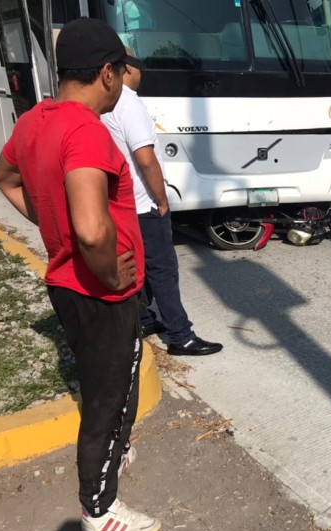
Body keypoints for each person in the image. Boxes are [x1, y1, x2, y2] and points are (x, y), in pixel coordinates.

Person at [0, 18, 160, 531]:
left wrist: (49, 222)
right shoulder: (86, 131)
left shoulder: (34, 120)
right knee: (111, 396)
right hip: (100, 290)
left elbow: (5, 178)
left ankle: (112, 455)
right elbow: (91, 232)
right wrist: (111, 276)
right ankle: (99, 506)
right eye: (123, 71)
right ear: (107, 73)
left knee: (101, 383)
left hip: (65, 285)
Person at [102, 48, 223, 356]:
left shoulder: (105, 104)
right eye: (139, 66)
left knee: (139, 264)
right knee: (163, 269)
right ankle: (181, 336)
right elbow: (146, 158)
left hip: (123, 202)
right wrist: (161, 199)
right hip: (145, 202)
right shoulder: (129, 103)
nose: (143, 73)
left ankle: (143, 318)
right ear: (127, 69)